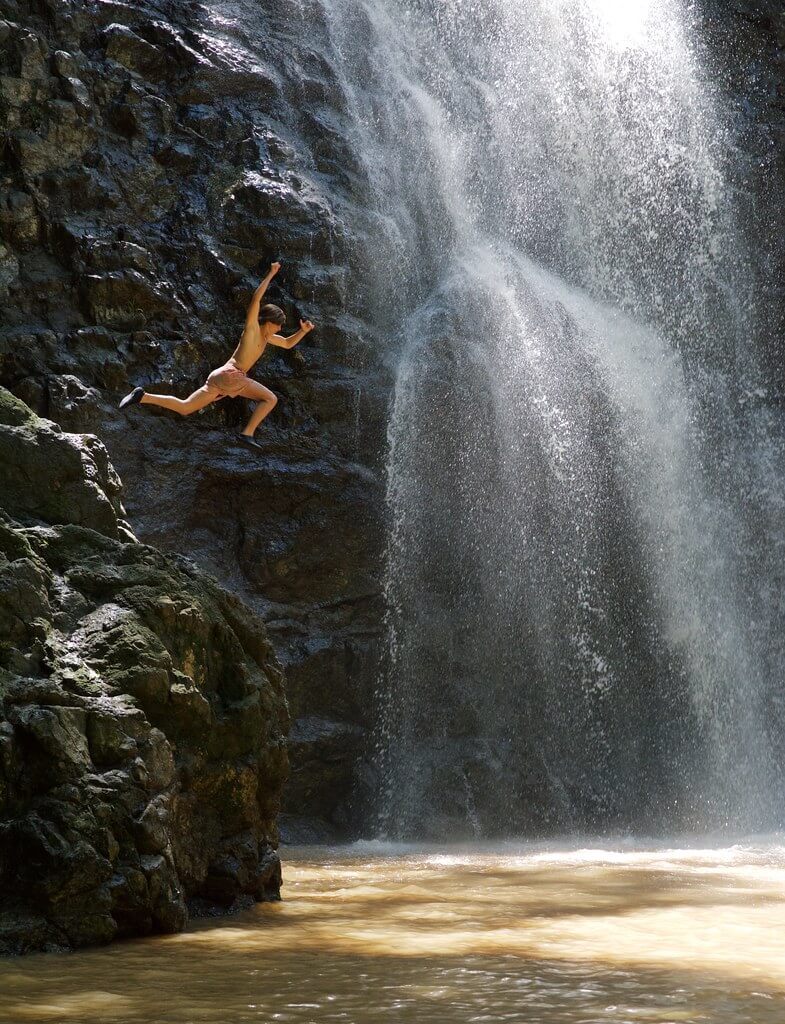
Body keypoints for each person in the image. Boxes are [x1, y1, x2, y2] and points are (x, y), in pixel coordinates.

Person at [118, 261, 315, 449]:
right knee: (270, 399)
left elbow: (288, 343)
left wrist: (303, 332)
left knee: (186, 407)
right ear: (268, 321)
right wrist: (271, 274)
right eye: (278, 324)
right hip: (232, 375)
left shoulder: (268, 338)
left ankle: (142, 396)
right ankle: (247, 434)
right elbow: (256, 300)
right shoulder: (252, 330)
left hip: (221, 376)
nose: (280, 328)